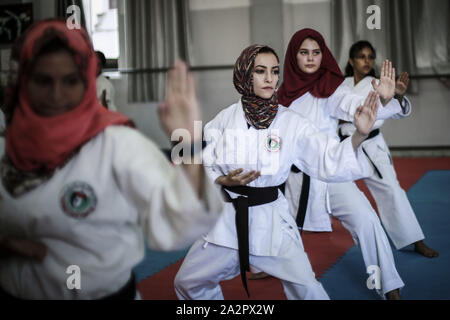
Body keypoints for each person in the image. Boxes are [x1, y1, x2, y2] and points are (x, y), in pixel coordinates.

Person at [0, 19, 224, 300]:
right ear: (23, 80)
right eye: (43, 81)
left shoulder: (116, 144)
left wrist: (190, 144)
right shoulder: (5, 147)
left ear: (87, 81)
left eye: (70, 81)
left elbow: (182, 219)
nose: (56, 95)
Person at [174, 44, 381, 300]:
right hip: (228, 221)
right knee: (188, 281)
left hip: (271, 222)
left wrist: (359, 135)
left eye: (274, 71)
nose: (270, 78)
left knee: (309, 291)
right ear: (245, 75)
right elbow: (202, 160)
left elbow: (328, 157)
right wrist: (219, 178)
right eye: (261, 71)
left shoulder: (291, 122)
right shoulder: (224, 119)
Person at [280, 29, 407, 299]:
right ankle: (270, 264)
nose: (311, 58)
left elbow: (356, 105)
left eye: (316, 52)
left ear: (323, 54)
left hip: (332, 170)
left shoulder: (329, 88)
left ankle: (391, 286)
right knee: (282, 233)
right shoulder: (282, 96)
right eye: (304, 53)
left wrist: (384, 99)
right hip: (297, 178)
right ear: (294, 56)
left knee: (367, 220)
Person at [340, 40, 438, 258]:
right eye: (361, 56)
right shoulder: (341, 84)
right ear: (351, 60)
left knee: (392, 191)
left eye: (370, 57)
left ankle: (415, 240)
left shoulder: (378, 82)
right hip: (345, 146)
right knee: (324, 189)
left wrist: (399, 95)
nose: (367, 61)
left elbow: (395, 109)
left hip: (372, 146)